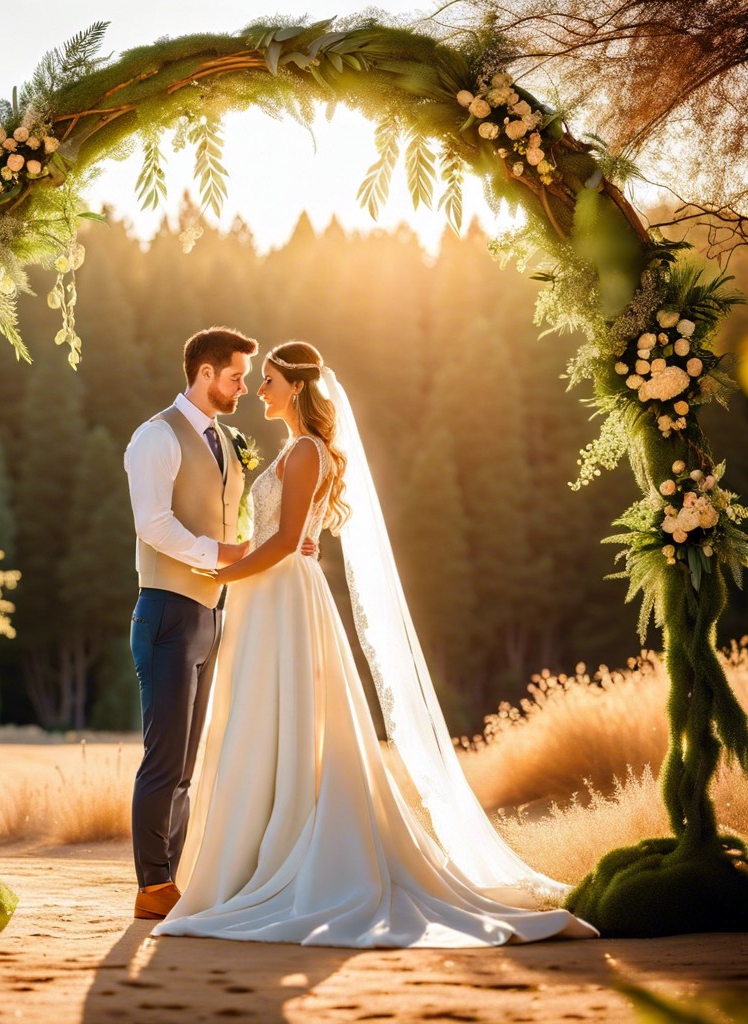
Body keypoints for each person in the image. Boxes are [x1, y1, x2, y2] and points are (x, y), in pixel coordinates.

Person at [152, 341, 598, 947]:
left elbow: (286, 541)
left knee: (283, 716)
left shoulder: (307, 450)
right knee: (263, 719)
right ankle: (252, 854)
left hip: (281, 594)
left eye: (272, 381)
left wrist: (222, 574)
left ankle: (287, 850)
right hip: (268, 595)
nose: (260, 390)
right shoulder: (295, 450)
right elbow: (290, 536)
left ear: (299, 389)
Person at [123, 327, 317, 920]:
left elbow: (240, 519)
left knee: (186, 760)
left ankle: (170, 882)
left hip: (210, 612)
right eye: (236, 376)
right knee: (163, 755)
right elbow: (153, 525)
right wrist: (225, 557)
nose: (242, 387)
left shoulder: (224, 441)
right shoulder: (156, 437)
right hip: (166, 609)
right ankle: (152, 886)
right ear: (204, 374)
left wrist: (286, 545)